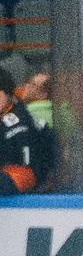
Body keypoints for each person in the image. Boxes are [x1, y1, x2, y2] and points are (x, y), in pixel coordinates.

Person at [0, 66, 56, 196]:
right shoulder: (15, 110)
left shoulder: (17, 124)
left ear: (7, 93)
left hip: (35, 198)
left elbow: (26, 176)